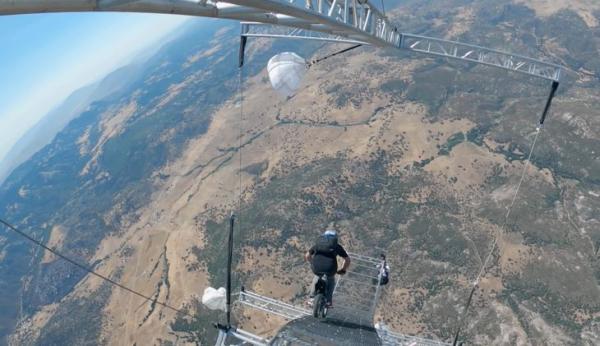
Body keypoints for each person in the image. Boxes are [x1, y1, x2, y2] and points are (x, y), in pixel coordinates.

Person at [305, 229, 351, 307]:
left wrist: (313, 263)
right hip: (330, 269)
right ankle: (328, 301)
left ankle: (311, 298)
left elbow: (307, 256)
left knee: (317, 276)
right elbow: (347, 259)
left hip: (317, 267)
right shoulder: (337, 246)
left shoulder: (318, 244)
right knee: (331, 281)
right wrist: (343, 270)